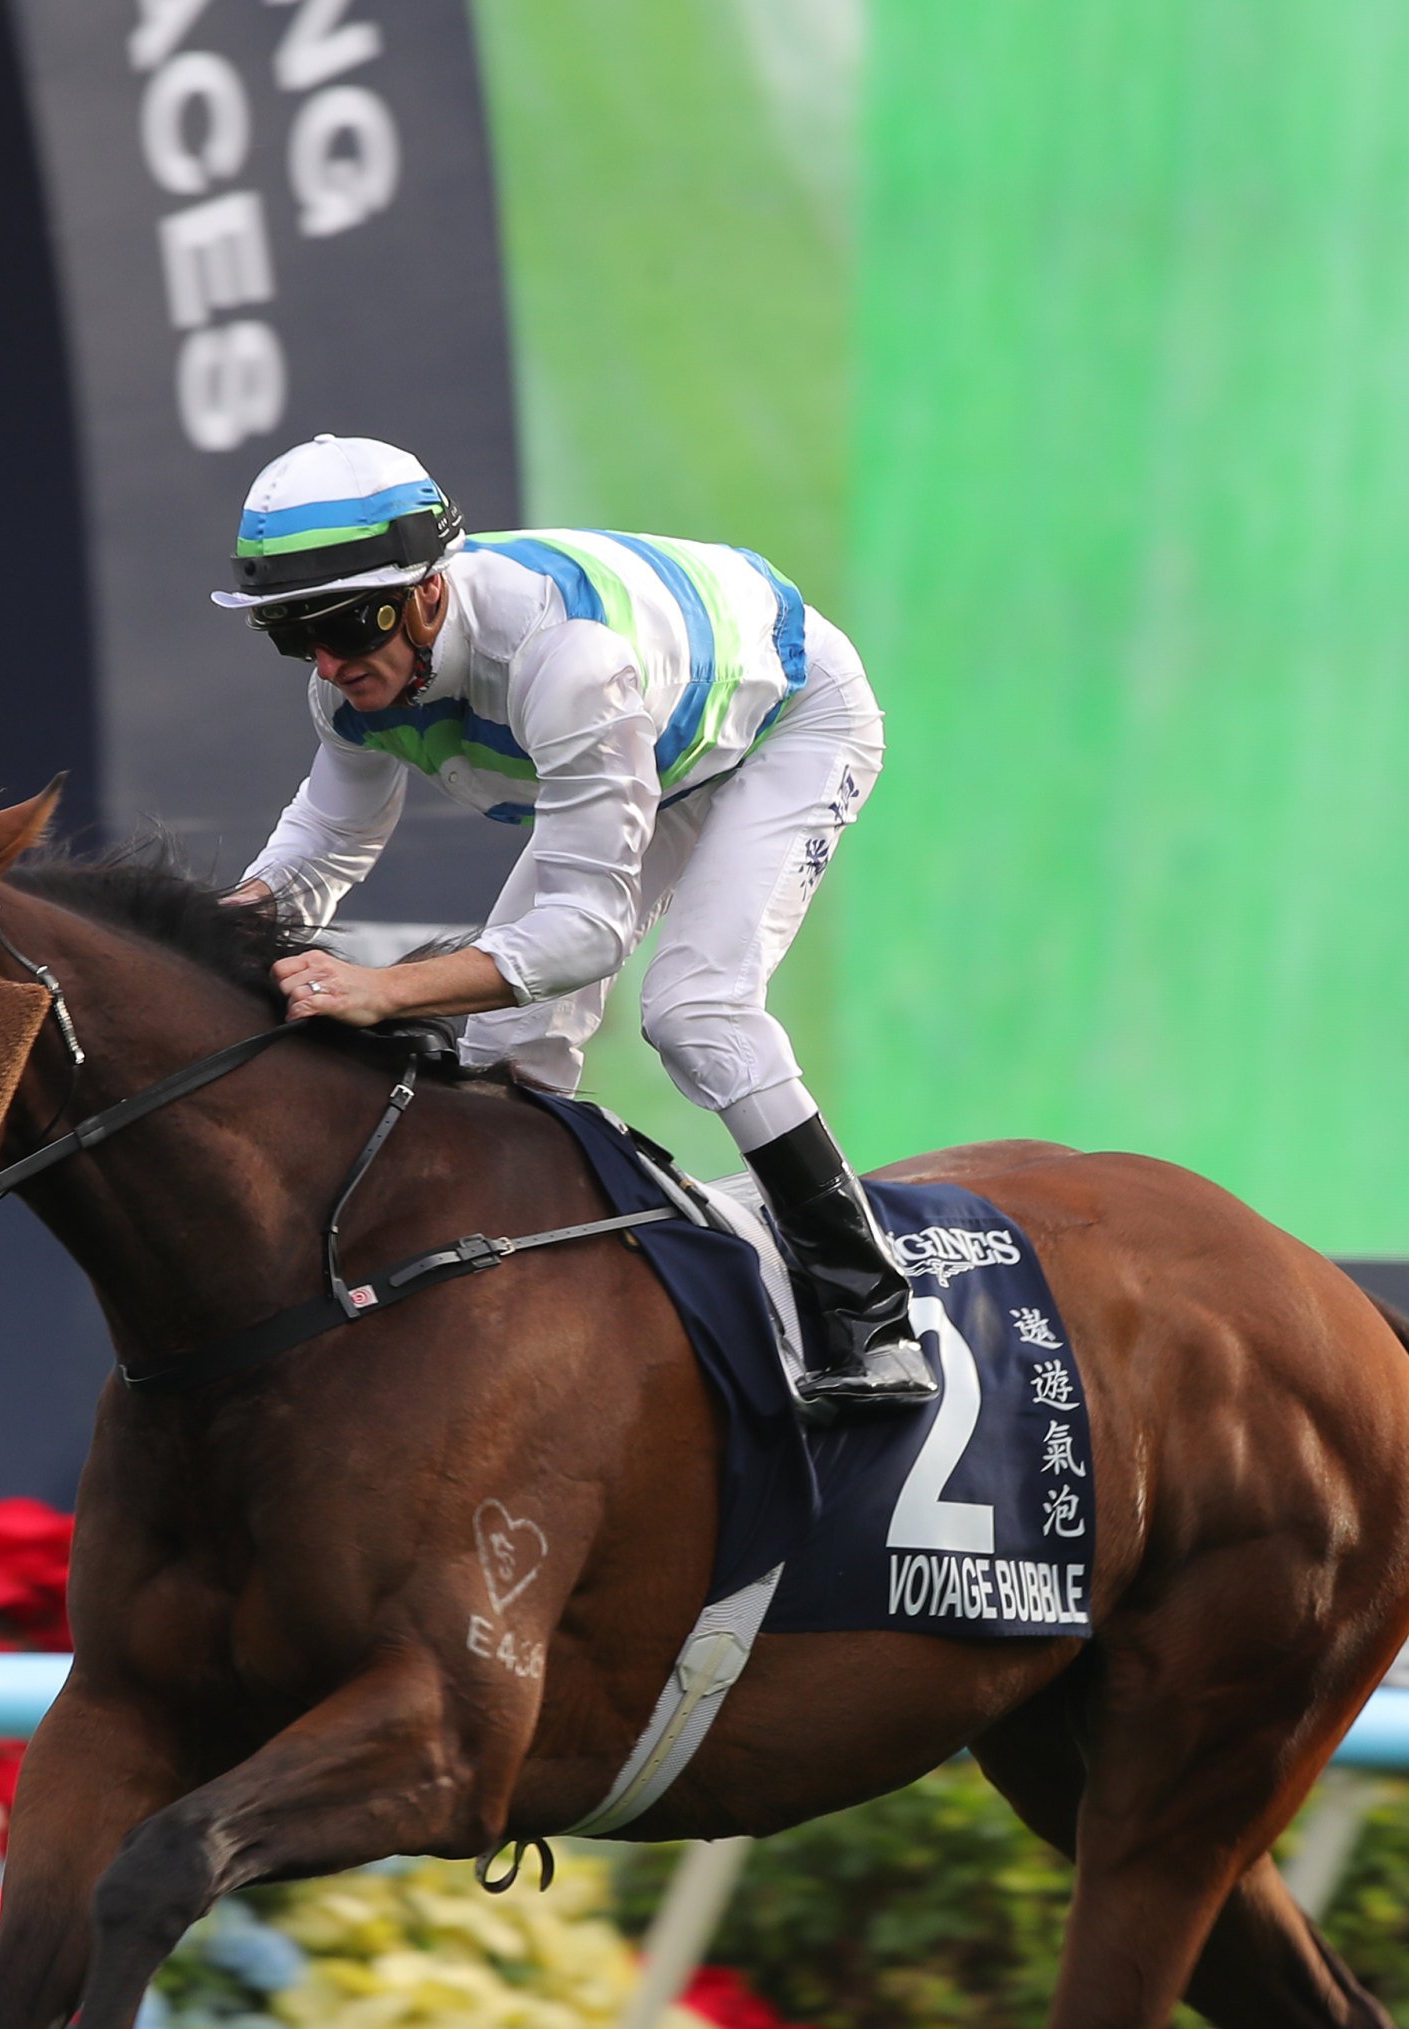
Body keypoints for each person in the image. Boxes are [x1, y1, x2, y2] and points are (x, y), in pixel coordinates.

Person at [212, 433, 934, 1412]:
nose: (330, 662)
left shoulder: (565, 661)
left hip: (789, 724)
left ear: (429, 590)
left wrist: (382, 989)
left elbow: (586, 933)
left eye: (345, 625)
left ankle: (875, 1317)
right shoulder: (355, 682)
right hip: (653, 738)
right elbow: (322, 852)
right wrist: (214, 931)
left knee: (696, 1010)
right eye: (295, 634)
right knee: (511, 1046)